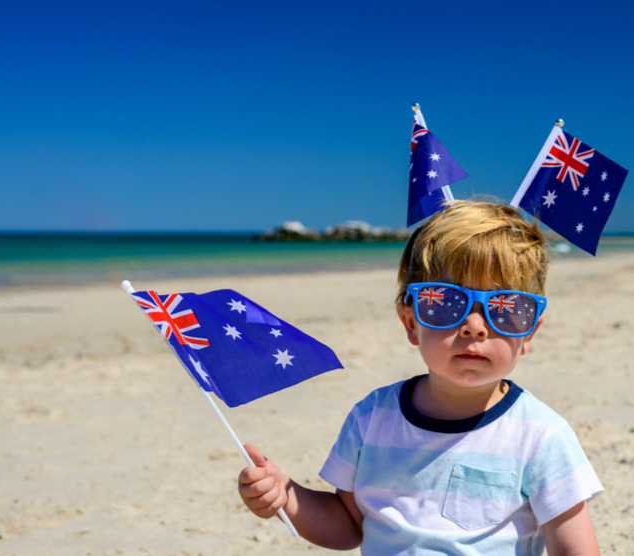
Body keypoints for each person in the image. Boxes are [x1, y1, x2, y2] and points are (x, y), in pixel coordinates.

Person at [238, 201, 604, 555]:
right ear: (411, 322)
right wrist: (287, 495)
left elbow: (574, 548)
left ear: (529, 333)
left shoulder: (540, 436)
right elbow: (349, 525)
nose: (475, 326)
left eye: (506, 309)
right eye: (444, 302)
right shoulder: (371, 418)